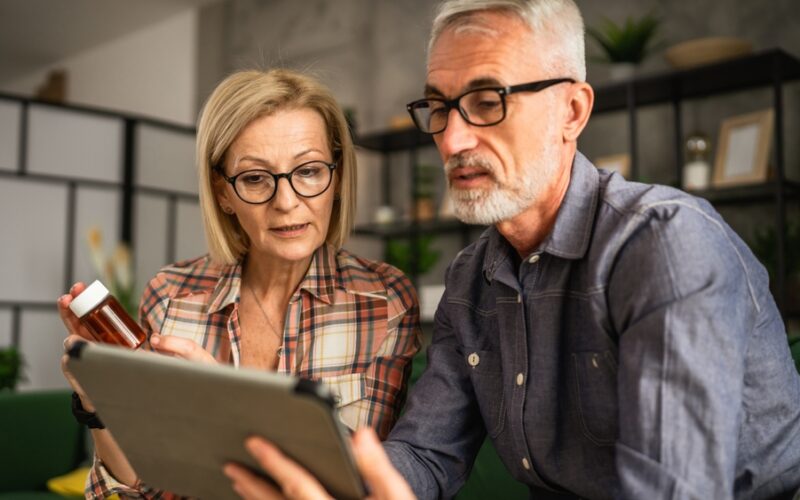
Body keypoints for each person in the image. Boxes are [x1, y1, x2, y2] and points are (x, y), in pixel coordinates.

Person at [224, 1, 800, 499]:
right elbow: (426, 456)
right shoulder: (471, 279)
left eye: (487, 100)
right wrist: (276, 441)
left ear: (572, 111)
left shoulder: (665, 244)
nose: (451, 139)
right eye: (441, 107)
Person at [57, 68, 422, 498]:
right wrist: (99, 406)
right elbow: (140, 491)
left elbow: (362, 483)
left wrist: (224, 404)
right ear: (224, 193)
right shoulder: (171, 295)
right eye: (254, 178)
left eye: (308, 171)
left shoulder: (382, 299)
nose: (286, 203)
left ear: (336, 177)